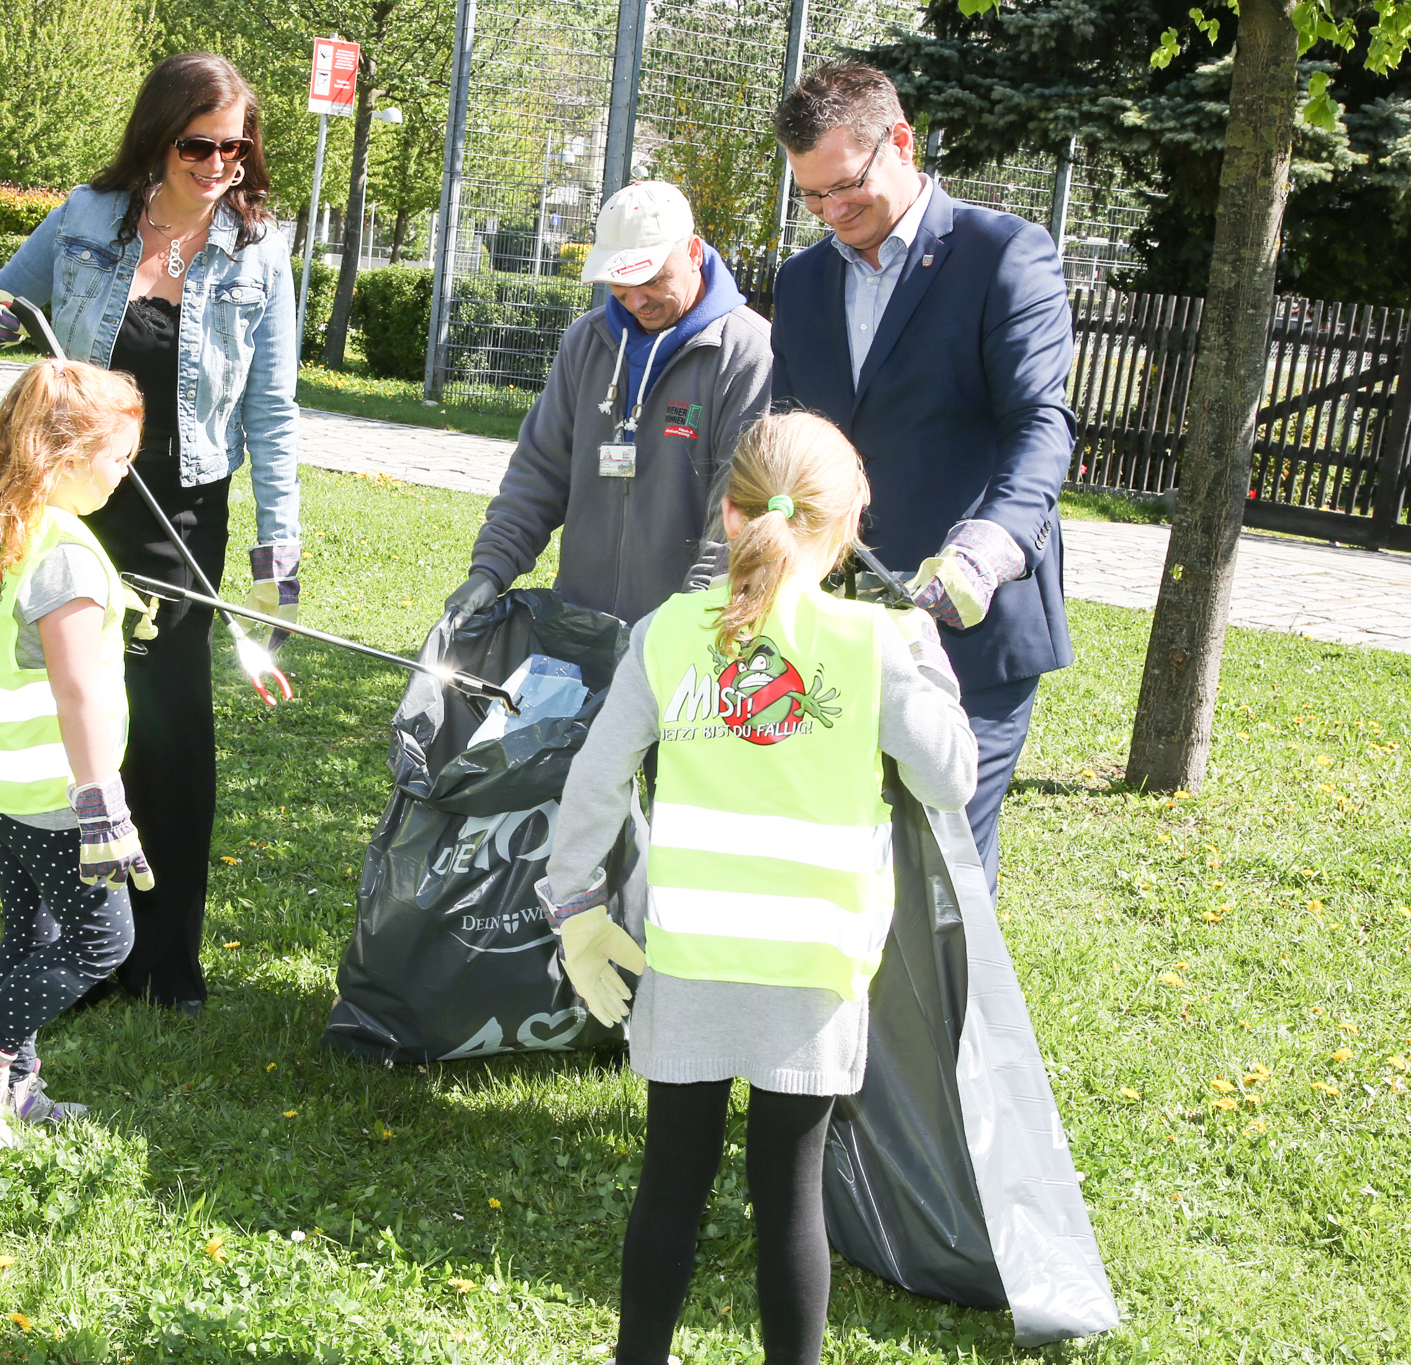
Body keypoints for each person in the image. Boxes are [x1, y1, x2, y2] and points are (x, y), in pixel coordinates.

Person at [538, 412, 977, 1365]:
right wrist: (927, 655)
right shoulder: (872, 645)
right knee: (789, 1194)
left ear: (729, 516)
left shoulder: (665, 634)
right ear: (847, 524)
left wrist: (574, 908)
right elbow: (951, 782)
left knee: (671, 1183)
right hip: (813, 971)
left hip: (688, 957)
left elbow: (596, 779)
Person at [0, 53, 300, 1013]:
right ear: (158, 139)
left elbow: (274, 405)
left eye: (236, 146)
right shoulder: (87, 218)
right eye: (199, 145)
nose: (220, 164)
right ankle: (86, 950)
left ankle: (164, 958)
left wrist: (277, 540)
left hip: (186, 508)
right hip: (75, 495)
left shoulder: (259, 250)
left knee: (169, 724)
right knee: (72, 714)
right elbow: (0, 299)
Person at [769, 61, 1076, 890]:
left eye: (847, 187)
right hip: (836, 628)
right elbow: (791, 443)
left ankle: (956, 1025)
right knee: (840, 871)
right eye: (812, 198)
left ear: (900, 141)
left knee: (942, 879)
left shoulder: (1002, 254)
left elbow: (1040, 425)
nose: (833, 214)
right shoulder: (801, 282)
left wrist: (991, 545)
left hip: (969, 631)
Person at [0, 359, 153, 1148]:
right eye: (118, 457)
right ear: (65, 452)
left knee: (37, 930)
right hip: (53, 794)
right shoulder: (69, 558)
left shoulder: (9, 527)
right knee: (102, 939)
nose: (125, 475)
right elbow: (78, 691)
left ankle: (11, 1085)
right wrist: (103, 808)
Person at [444, 180, 773, 626]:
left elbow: (739, 512)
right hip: (582, 624)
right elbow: (541, 469)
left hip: (684, 636)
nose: (637, 300)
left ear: (693, 252)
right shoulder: (588, 340)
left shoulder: (747, 353)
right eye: (621, 281)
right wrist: (490, 568)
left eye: (653, 278)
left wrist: (688, 620)